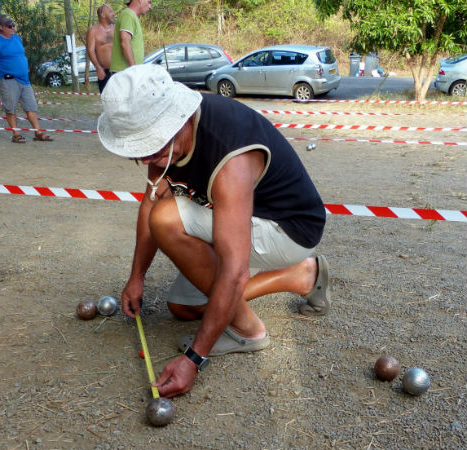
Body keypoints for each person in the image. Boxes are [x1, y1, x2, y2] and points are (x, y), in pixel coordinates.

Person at [98, 64, 330, 399]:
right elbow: (149, 199)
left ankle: (250, 331)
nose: (148, 157)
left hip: (288, 230)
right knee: (181, 307)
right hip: (243, 218)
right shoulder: (164, 138)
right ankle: (299, 277)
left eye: (153, 145)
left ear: (176, 119)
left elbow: (234, 273)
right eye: (140, 149)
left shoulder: (230, 154)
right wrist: (137, 276)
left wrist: (194, 359)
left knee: (167, 218)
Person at [0, 14, 53, 143]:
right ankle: (16, 134)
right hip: (8, 80)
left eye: (13, 25)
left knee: (31, 106)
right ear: (1, 27)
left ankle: (38, 132)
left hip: (24, 80)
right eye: (9, 26)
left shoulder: (17, 38)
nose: (12, 27)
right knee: (11, 108)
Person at [110, 0, 151, 73]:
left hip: (128, 73)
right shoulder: (128, 15)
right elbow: (125, 42)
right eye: (149, 2)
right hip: (125, 73)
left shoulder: (132, 16)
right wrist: (134, 69)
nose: (150, 7)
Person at [86, 3, 116, 93]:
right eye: (110, 11)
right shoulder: (93, 30)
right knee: (107, 100)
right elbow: (90, 51)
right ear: (103, 14)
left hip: (118, 70)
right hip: (104, 72)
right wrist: (98, 68)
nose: (113, 14)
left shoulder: (117, 28)